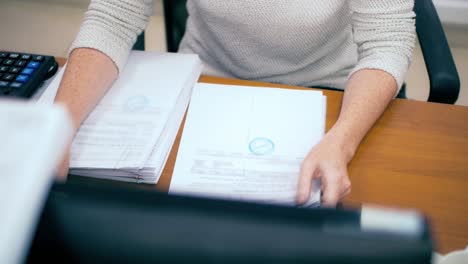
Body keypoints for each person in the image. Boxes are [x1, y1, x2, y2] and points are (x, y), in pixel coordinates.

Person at [54, 0, 416, 207]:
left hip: (328, 95)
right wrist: (55, 131)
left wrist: (342, 140)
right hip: (206, 84)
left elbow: (388, 43)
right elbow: (113, 18)